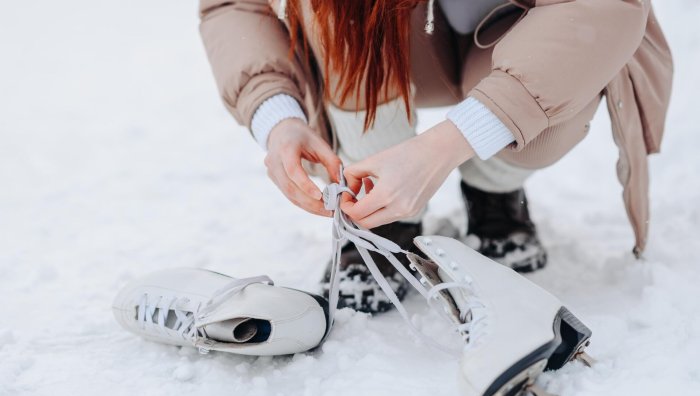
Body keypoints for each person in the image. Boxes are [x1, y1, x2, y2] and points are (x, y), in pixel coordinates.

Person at [198, 0, 672, 313]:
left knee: (555, 103)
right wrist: (277, 115)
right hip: (385, 34)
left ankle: (495, 191)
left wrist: (450, 143)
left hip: (518, 28)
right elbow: (235, 5)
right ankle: (381, 217)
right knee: (329, 8)